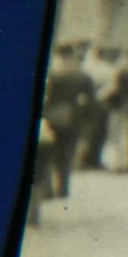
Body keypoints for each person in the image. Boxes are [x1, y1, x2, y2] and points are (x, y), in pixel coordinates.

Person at [41, 42, 95, 200]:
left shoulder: (52, 74)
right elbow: (90, 100)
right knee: (67, 153)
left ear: (57, 56)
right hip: (74, 116)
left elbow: (46, 98)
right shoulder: (82, 75)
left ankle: (47, 189)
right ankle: (63, 188)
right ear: (71, 55)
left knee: (48, 153)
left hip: (53, 115)